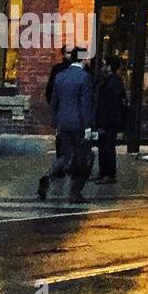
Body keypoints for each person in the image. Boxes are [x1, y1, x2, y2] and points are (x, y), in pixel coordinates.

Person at [39, 51, 95, 202]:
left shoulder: (60, 76)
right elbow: (85, 104)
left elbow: (54, 100)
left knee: (64, 155)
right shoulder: (85, 77)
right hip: (78, 124)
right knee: (84, 158)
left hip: (63, 122)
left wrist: (56, 122)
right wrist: (88, 127)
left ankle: (48, 176)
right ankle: (75, 193)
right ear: (83, 59)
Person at [93, 55, 128, 183]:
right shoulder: (106, 79)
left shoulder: (113, 81)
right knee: (103, 147)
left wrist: (105, 122)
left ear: (109, 66)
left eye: (104, 64)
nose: (102, 67)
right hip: (105, 120)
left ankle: (109, 174)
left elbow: (112, 105)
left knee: (108, 147)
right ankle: (103, 173)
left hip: (109, 121)